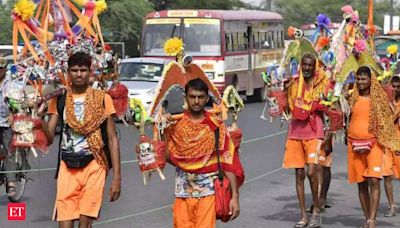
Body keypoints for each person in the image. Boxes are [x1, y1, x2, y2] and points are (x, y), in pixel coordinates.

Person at [39, 52, 121, 228]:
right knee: (65, 224)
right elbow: (50, 138)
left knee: (85, 223)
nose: (78, 74)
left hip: (95, 164)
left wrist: (117, 178)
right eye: (74, 70)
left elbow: (113, 139)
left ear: (89, 72)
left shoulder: (102, 99)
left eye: (83, 70)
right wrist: (40, 120)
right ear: (68, 72)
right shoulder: (60, 99)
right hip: (67, 167)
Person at [163, 78, 244, 228]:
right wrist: (163, 129)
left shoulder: (216, 126)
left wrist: (235, 197)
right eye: (192, 97)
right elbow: (168, 157)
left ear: (206, 98)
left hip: (208, 194)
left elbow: (228, 162)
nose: (196, 101)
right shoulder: (176, 126)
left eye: (200, 97)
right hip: (183, 194)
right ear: (185, 98)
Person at [347, 66, 400, 228]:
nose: (361, 82)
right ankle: (367, 218)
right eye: (358, 79)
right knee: (361, 183)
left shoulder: (379, 98)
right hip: (354, 144)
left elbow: (387, 120)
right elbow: (345, 118)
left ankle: (372, 220)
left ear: (371, 80)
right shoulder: (351, 98)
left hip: (374, 144)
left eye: (364, 79)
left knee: (374, 180)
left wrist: (393, 143)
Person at [283, 53, 331, 228]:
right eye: (305, 65)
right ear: (301, 65)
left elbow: (329, 104)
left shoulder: (322, 84)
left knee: (312, 172)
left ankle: (316, 211)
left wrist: (319, 104)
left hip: (314, 132)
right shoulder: (294, 84)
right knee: (299, 175)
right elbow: (288, 106)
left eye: (311, 65)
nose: (307, 68)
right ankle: (304, 216)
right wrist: (283, 89)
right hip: (295, 132)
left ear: (315, 66)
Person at [381, 75, 400, 217]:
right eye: (394, 86)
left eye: (399, 86)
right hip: (387, 142)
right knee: (387, 175)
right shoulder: (385, 102)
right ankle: (392, 205)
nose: (396, 89)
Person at [0, 57, 17, 197]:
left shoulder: (11, 83)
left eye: (1, 68)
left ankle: (11, 183)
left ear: (5, 68)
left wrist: (13, 111)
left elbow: (18, 100)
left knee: (9, 152)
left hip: (7, 122)